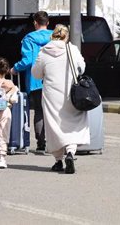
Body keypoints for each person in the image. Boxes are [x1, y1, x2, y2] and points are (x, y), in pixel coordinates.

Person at [31, 24, 90, 174]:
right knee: (74, 123)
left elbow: (36, 74)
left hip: (52, 95)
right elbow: (81, 68)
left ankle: (58, 160)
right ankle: (70, 152)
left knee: (53, 126)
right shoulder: (72, 49)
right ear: (66, 36)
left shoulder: (43, 51)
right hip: (71, 93)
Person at [12, 10, 52, 153]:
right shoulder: (56, 36)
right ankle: (57, 143)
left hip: (36, 81)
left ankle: (41, 144)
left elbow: (28, 60)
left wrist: (15, 68)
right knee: (54, 112)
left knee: (39, 112)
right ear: (47, 23)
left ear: (35, 23)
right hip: (54, 80)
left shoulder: (29, 38)